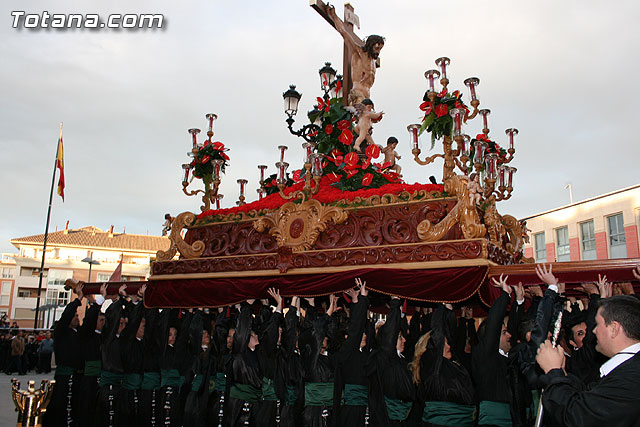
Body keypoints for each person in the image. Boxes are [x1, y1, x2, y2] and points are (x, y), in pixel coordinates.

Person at [536, 294, 640, 426]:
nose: (594, 331)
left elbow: (577, 416)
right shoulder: (628, 369)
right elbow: (590, 397)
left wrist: (553, 372)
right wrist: (562, 373)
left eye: (597, 325)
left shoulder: (631, 376)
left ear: (614, 329)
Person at [326, 5, 384, 105]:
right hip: (357, 94)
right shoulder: (358, 53)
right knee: (362, 116)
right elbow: (344, 33)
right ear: (370, 45)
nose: (378, 52)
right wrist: (334, 16)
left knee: (368, 119)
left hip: (367, 96)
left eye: (380, 49)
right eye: (376, 48)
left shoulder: (374, 63)